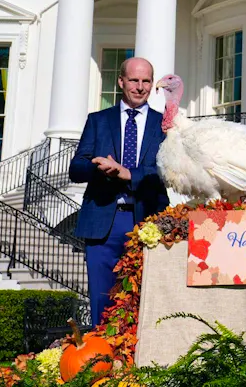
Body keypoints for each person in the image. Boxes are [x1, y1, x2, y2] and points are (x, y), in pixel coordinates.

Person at [70, 57, 169, 326]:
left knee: (144, 301)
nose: (140, 87)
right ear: (121, 81)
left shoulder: (164, 125)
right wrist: (100, 168)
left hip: (147, 220)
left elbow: (168, 171)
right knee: (103, 301)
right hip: (104, 220)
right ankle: (102, 352)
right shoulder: (98, 121)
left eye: (146, 81)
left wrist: (128, 174)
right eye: (134, 80)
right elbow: (76, 168)